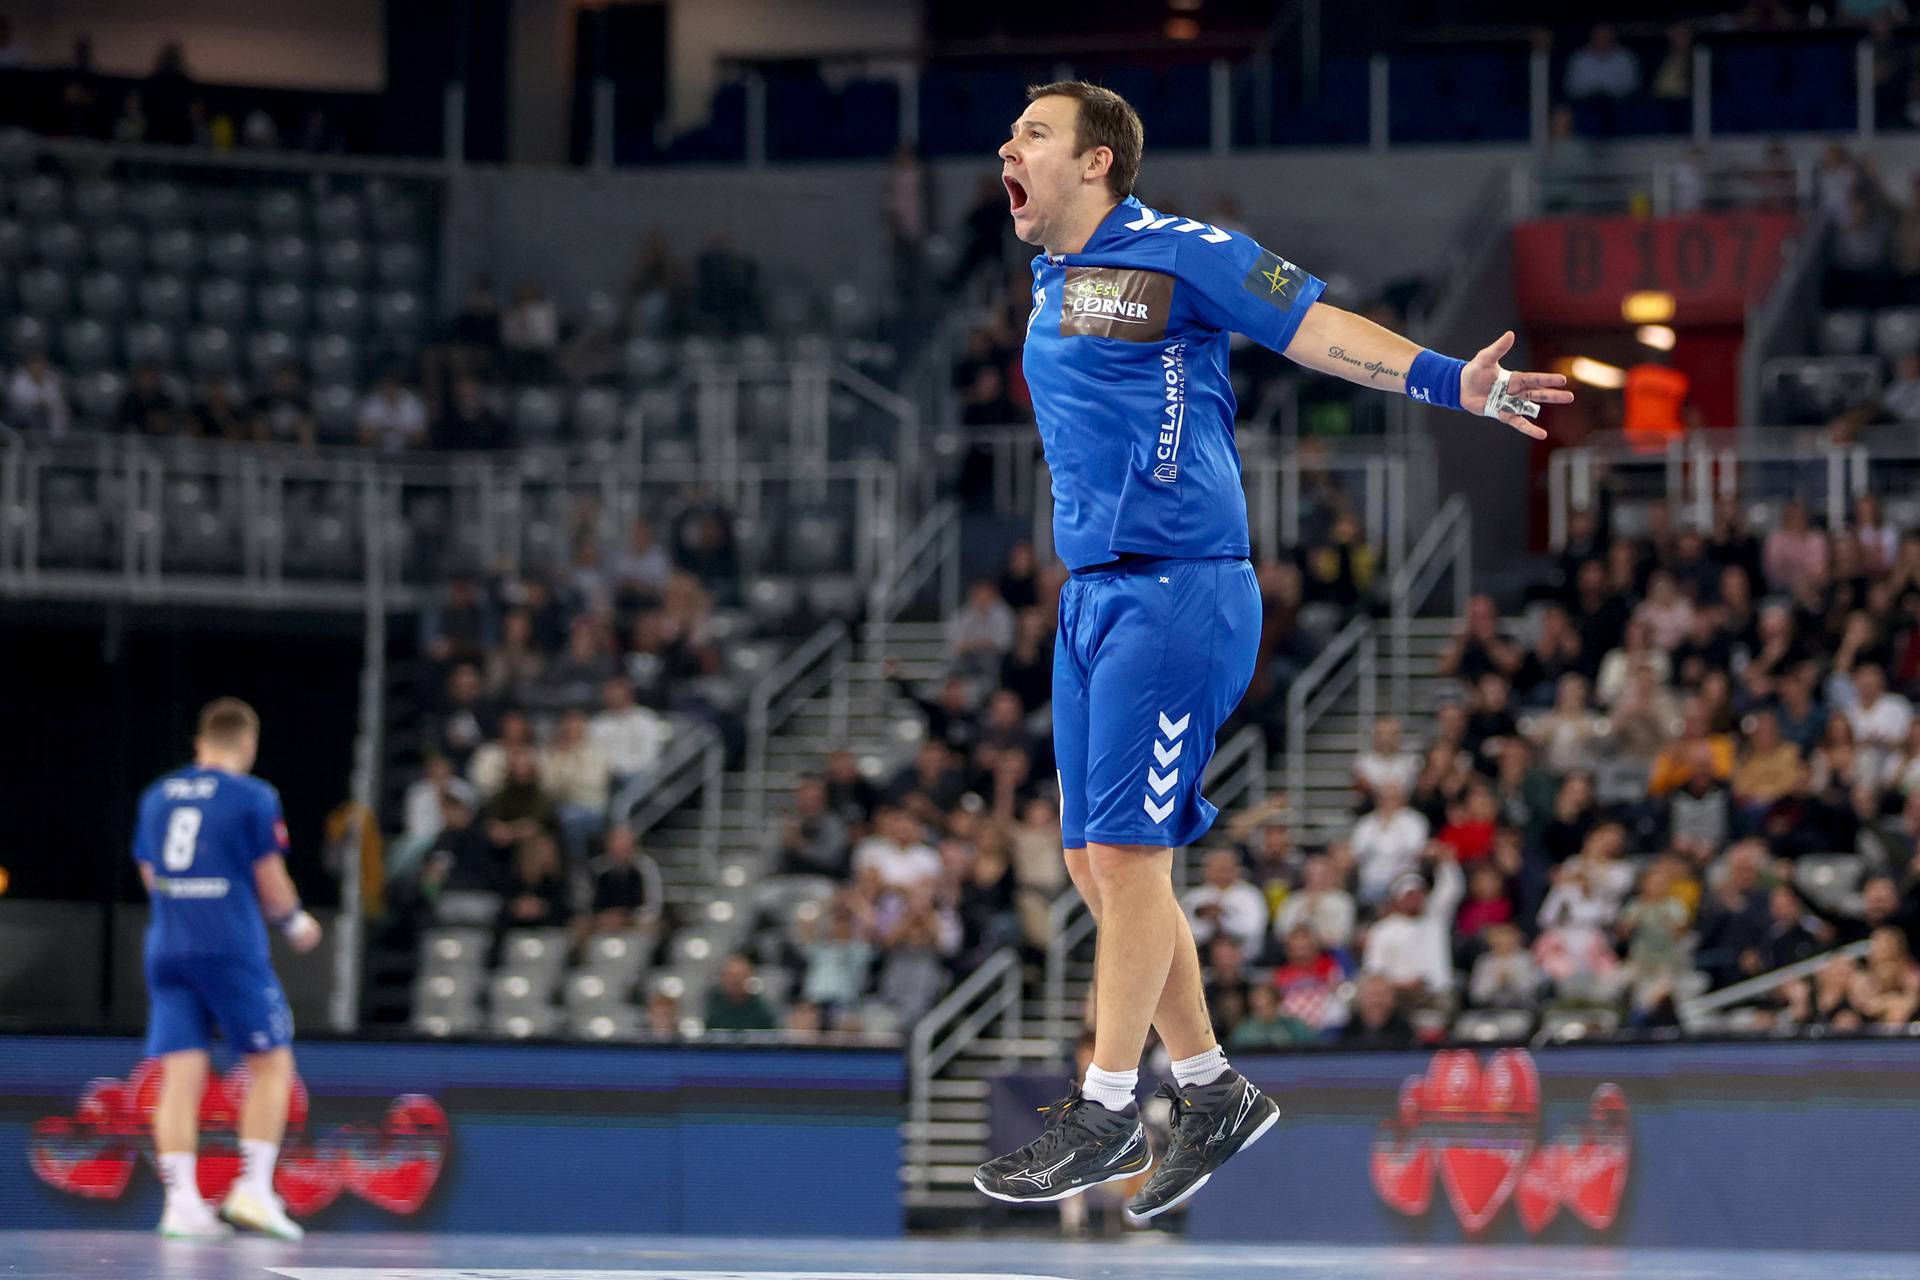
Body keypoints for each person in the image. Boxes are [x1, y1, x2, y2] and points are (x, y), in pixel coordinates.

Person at [970, 81, 1567, 1218]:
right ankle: (1210, 1088)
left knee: (1135, 859)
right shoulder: (1048, 275)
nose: (1009, 146)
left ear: (1099, 162)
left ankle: (1104, 1107)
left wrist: (1454, 381)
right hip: (1094, 597)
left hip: (1180, 590)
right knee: (1099, 866)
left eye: (1033, 134)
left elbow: (1318, 328)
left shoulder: (1182, 250)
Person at [133, 698, 320, 1241]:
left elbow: (151, 874)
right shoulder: (254, 796)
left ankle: (181, 1203)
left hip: (167, 945)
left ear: (199, 744)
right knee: (272, 1065)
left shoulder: (157, 795)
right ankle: (255, 1190)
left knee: (180, 1076)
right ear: (248, 745)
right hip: (228, 945)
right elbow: (270, 879)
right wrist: (295, 923)